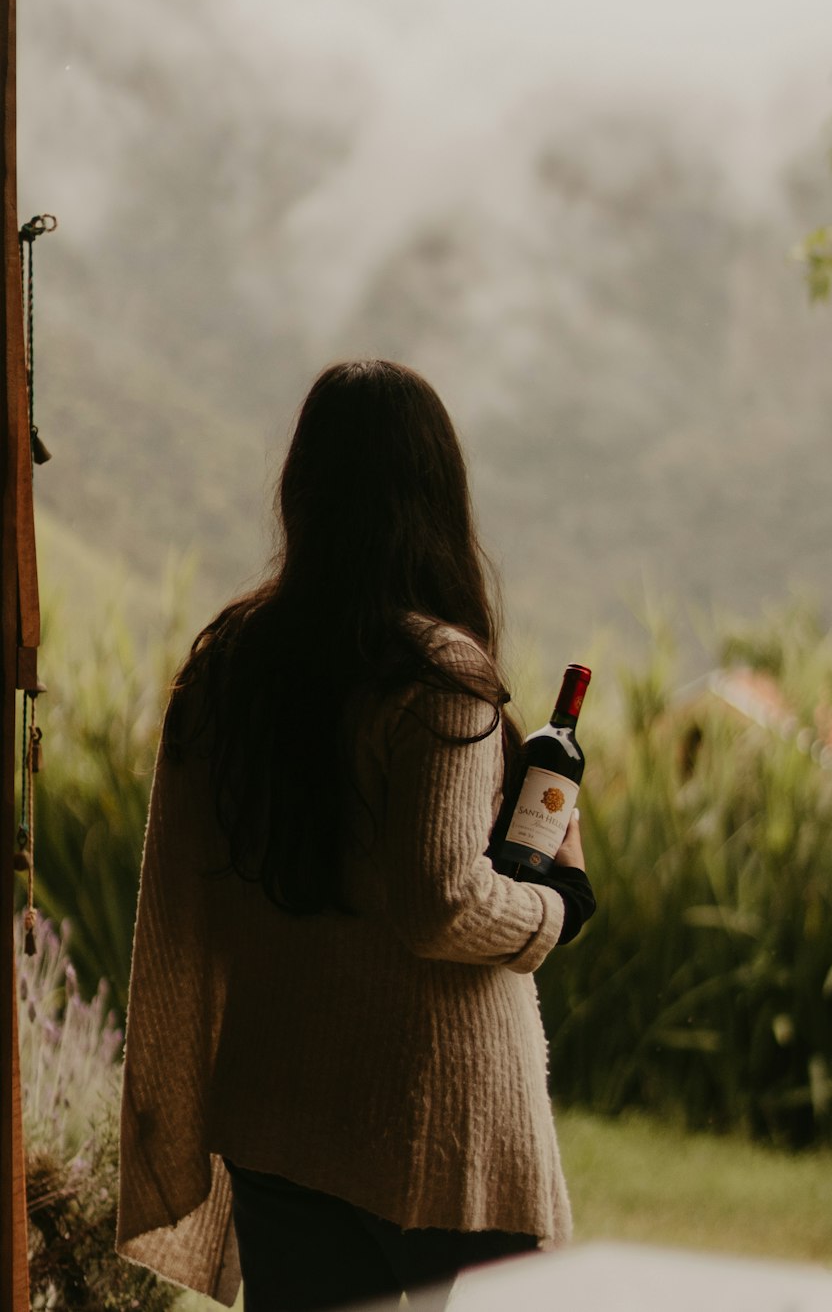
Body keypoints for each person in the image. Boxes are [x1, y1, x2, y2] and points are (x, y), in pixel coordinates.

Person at [116, 359, 597, 1312]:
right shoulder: (438, 673)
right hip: (430, 1133)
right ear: (435, 499)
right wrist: (556, 903)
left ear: (302, 493)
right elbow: (440, 901)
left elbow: (181, 884)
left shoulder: (229, 665)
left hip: (276, 1110)